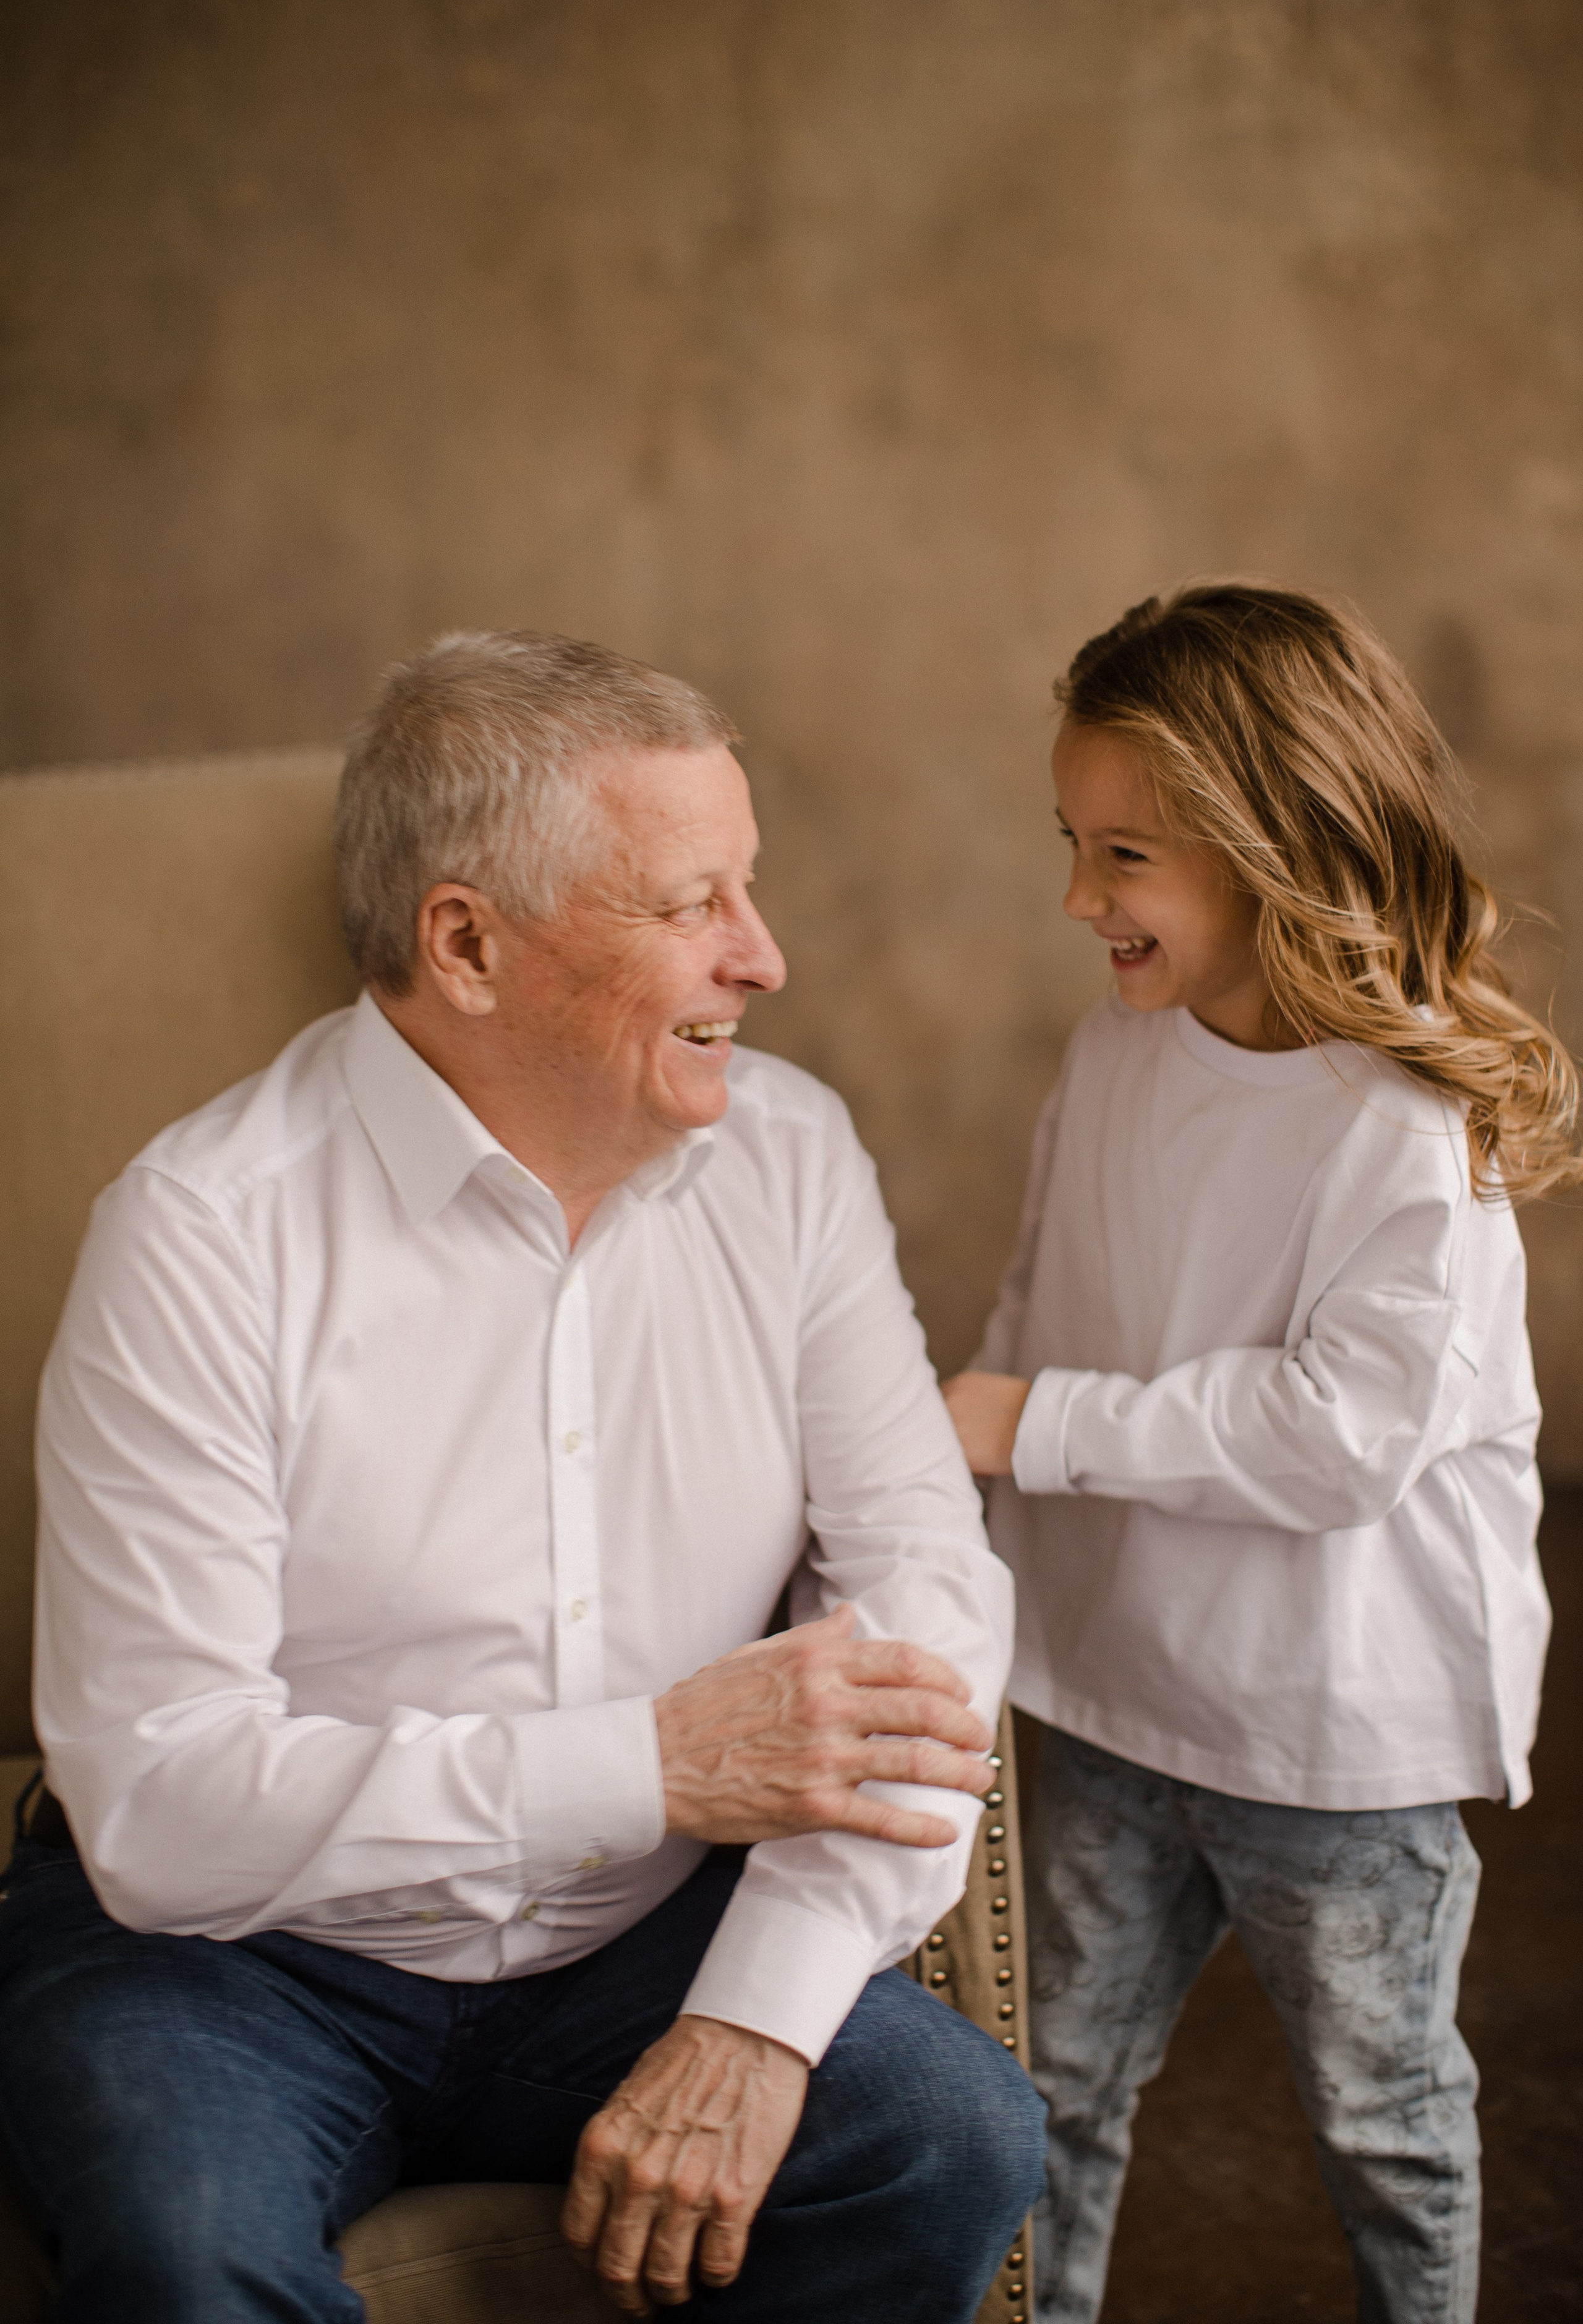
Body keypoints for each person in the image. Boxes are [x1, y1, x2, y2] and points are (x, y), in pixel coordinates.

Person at [0, 630, 1043, 2323]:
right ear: (469, 944)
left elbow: (924, 1613)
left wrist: (753, 2015)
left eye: (749, 888)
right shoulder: (203, 1235)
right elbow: (163, 1806)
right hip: (225, 1964)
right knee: (187, 2243)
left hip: (638, 1949)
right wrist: (651, 1762)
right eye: (688, 904)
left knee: (945, 2136)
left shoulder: (790, 1159)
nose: (763, 957)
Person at [943, 584, 1579, 2324]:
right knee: (1045, 2097)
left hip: (1334, 1740)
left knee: (1382, 2120)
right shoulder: (1114, 1049)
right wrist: (964, 1485)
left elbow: (1338, 1443)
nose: (1081, 897)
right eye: (1073, 843)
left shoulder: (1402, 1134)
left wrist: (1030, 1422)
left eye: (1126, 855)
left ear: (1271, 846)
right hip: (1111, 1694)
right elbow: (1040, 1301)